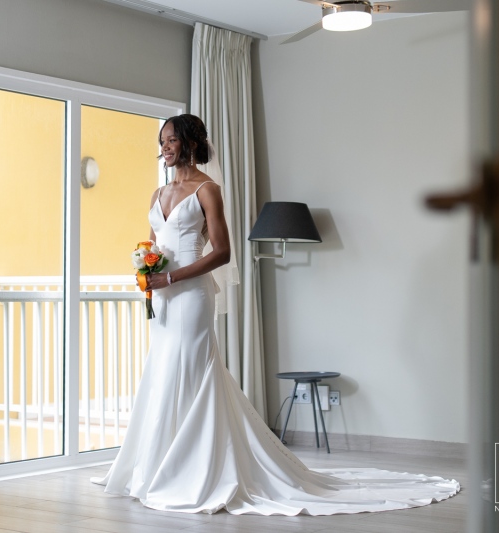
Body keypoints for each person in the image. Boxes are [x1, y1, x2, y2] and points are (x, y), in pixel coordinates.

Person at [91, 114, 459, 515]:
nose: (165, 146)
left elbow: (223, 252)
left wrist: (173, 275)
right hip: (162, 298)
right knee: (164, 370)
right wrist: (148, 268)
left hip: (191, 297)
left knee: (193, 370)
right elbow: (157, 242)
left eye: (172, 139)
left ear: (191, 142)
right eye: (161, 140)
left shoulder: (208, 190)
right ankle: (158, 464)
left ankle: (193, 470)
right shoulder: (157, 194)